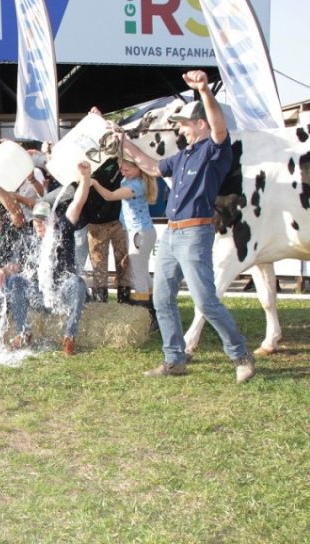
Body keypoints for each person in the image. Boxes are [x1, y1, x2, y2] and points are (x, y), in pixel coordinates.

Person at [118, 69, 255, 383]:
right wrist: (123, 141)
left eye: (185, 123)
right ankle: (174, 360)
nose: (181, 128)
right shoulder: (182, 157)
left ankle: (240, 355)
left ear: (200, 124)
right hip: (172, 233)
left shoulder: (214, 150)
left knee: (205, 300)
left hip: (195, 233)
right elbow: (150, 165)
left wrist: (205, 91)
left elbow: (219, 127)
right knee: (161, 298)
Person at [90, 154, 159, 328]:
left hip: (139, 234)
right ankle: (157, 306)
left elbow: (110, 196)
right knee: (143, 273)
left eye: (127, 169)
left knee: (138, 276)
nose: (123, 172)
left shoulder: (136, 185)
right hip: (138, 232)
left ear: (138, 169)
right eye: (122, 169)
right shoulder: (130, 180)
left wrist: (94, 183)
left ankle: (147, 315)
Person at [35, 161, 93, 355]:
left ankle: (69, 336)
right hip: (41, 294)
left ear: (52, 220)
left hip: (62, 292)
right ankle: (22, 333)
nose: (40, 225)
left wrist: (85, 179)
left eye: (44, 220)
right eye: (37, 221)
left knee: (77, 282)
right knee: (17, 282)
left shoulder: (62, 229)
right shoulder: (29, 236)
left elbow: (77, 203)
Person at [84, 158, 132, 303]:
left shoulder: (116, 161)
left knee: (124, 262)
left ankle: (124, 302)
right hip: (95, 224)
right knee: (99, 266)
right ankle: (101, 305)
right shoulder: (84, 164)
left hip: (118, 221)